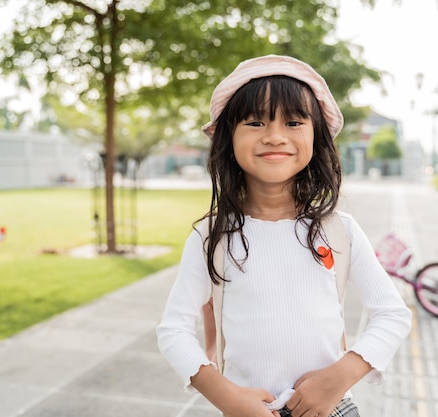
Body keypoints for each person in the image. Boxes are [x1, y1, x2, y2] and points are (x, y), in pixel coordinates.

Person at [156, 55, 412, 417]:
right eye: (255, 122)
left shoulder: (340, 231)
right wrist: (226, 396)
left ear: (315, 136)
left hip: (330, 408)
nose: (275, 136)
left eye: (293, 122)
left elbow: (392, 314)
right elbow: (173, 330)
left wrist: (339, 377)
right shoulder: (210, 236)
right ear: (229, 138)